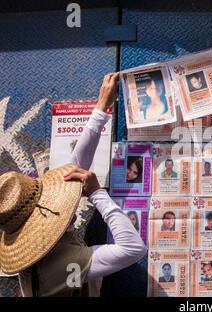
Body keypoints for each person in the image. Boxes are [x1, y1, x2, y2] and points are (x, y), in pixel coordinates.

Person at [0, 72, 147, 296]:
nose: (60, 200)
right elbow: (133, 248)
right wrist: (98, 194)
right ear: (42, 218)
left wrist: (101, 109)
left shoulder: (42, 249)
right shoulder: (63, 267)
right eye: (50, 201)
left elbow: (75, 167)